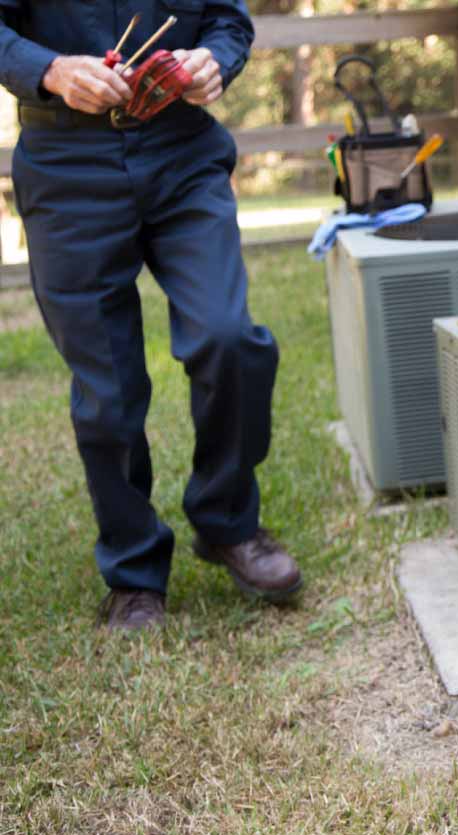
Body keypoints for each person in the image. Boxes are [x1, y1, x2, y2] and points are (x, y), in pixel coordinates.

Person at [0, 0, 302, 631]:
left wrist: (215, 61)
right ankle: (135, 573)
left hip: (182, 155)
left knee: (228, 337)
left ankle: (227, 523)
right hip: (66, 163)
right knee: (108, 390)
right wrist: (52, 70)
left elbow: (227, 20)